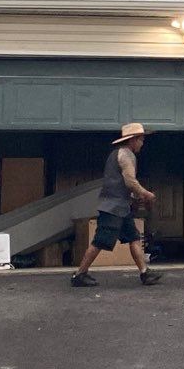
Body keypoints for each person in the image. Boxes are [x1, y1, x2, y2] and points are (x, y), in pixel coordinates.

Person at [72, 122, 162, 286]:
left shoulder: (116, 154)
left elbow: (125, 183)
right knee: (99, 241)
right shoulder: (127, 155)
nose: (142, 143)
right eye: (141, 140)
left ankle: (145, 273)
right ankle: (79, 275)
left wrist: (135, 197)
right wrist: (146, 194)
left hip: (121, 207)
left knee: (134, 237)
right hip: (113, 208)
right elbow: (130, 181)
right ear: (133, 140)